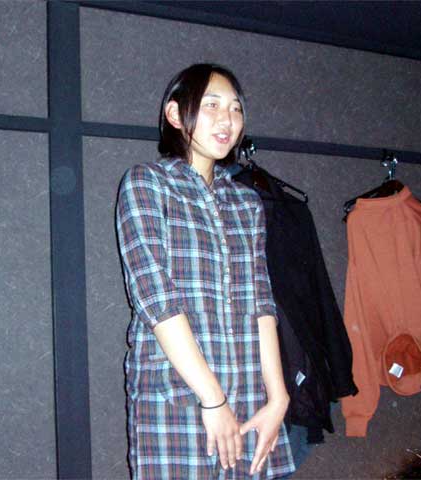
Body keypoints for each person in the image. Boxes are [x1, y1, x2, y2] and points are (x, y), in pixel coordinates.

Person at [115, 63, 296, 479]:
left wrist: (278, 397)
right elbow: (156, 300)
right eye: (211, 105)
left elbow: (261, 302)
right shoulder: (147, 183)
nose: (226, 119)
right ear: (176, 114)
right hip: (176, 397)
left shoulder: (246, 203)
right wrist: (213, 399)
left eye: (235, 108)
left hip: (248, 395)